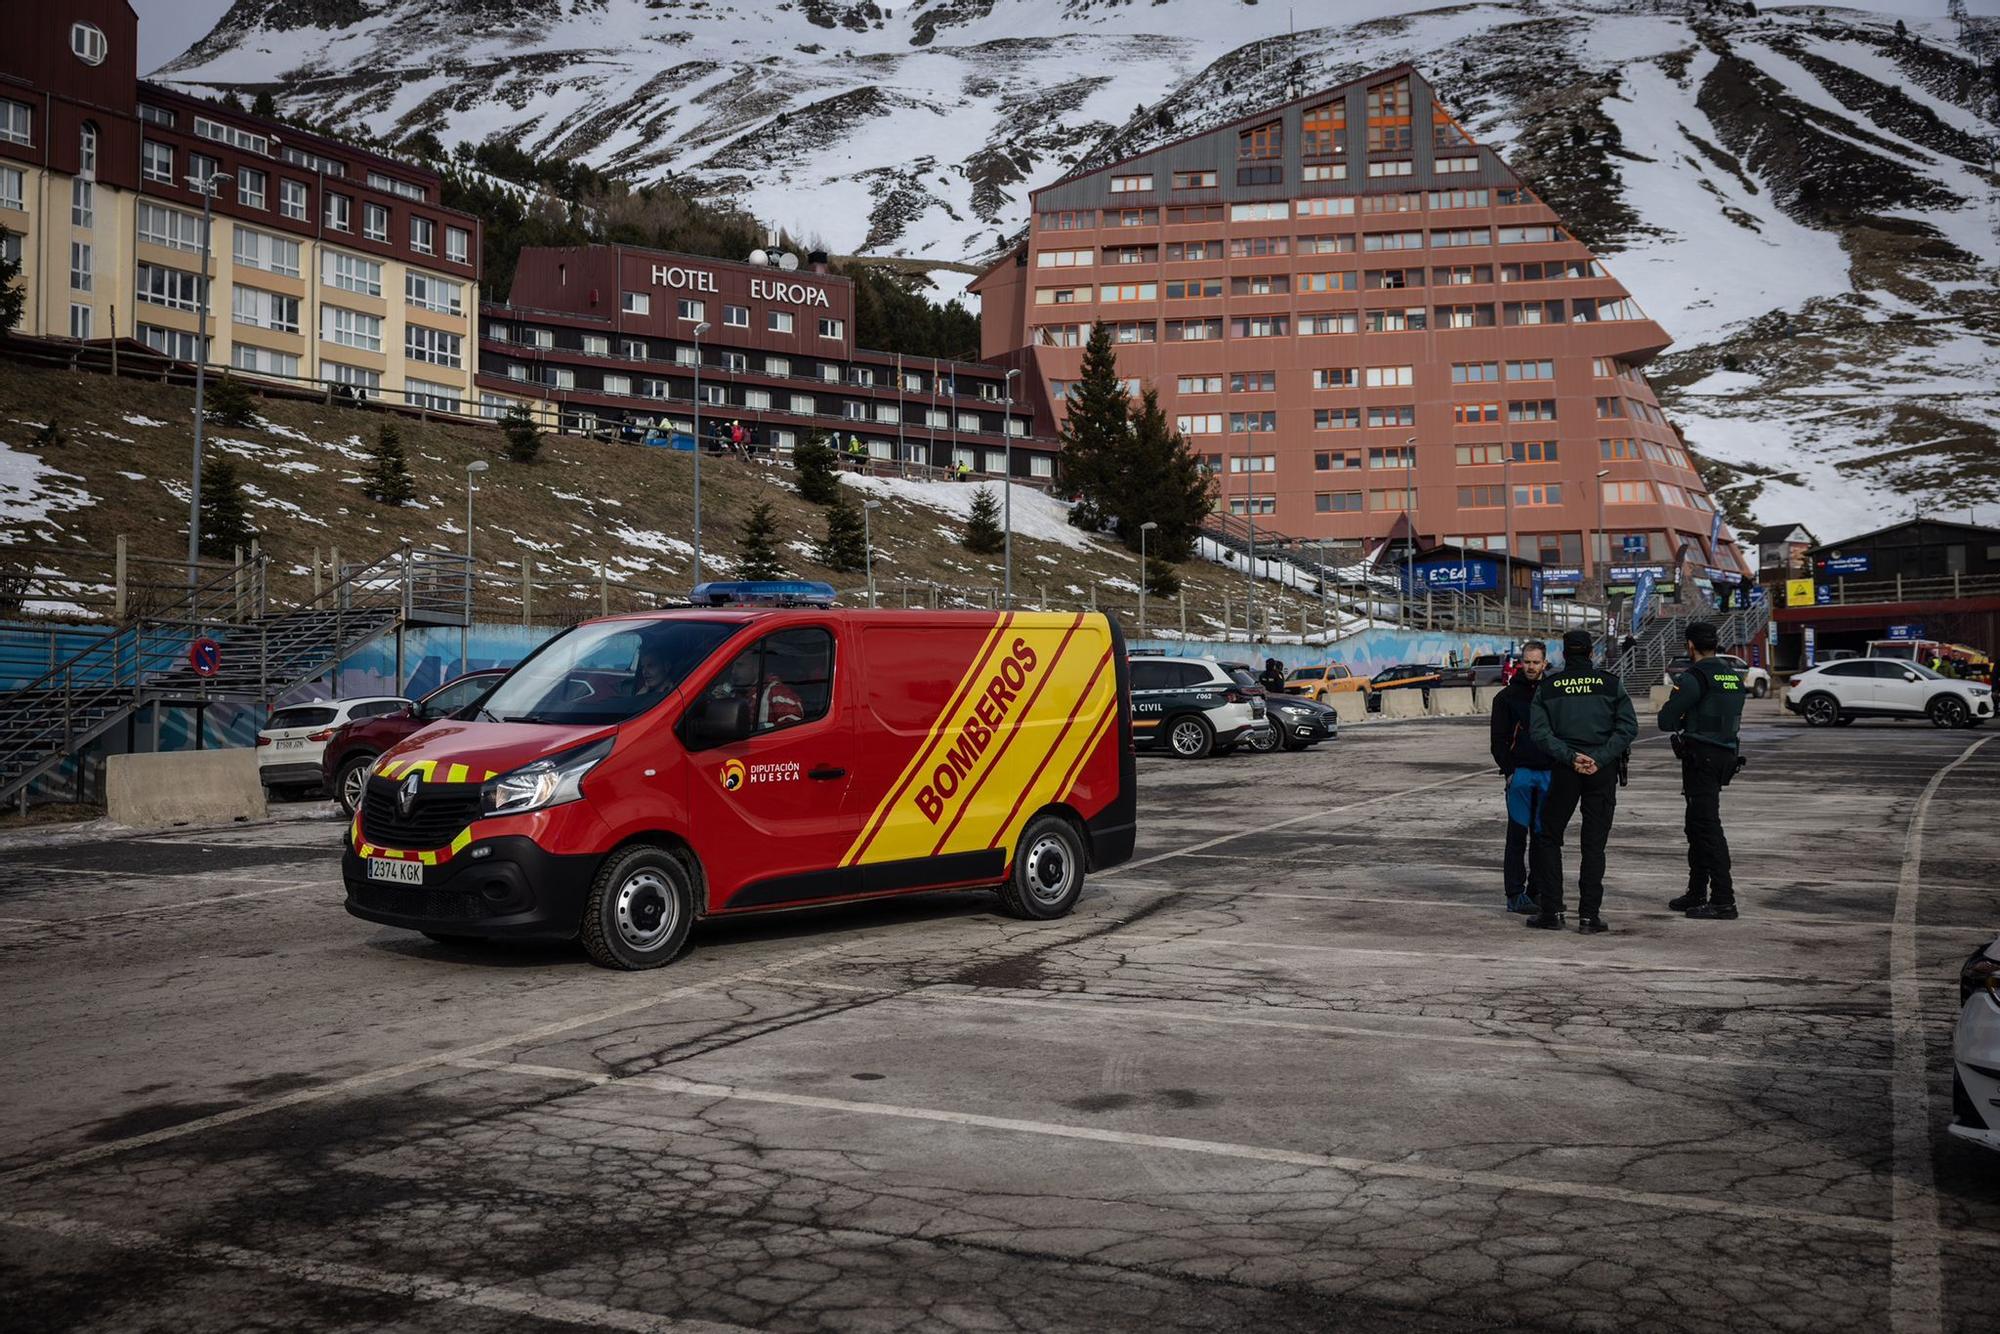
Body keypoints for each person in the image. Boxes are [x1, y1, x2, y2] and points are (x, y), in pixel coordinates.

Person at [1526, 627, 1638, 934]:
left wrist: (1570, 756)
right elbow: (1628, 728)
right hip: (1601, 772)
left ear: (1563, 654)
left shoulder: (1549, 687)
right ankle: (1589, 915)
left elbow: (1539, 732)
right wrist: (1600, 758)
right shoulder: (1611, 683)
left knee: (1549, 836)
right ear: (1591, 653)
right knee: (1594, 844)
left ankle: (1551, 910)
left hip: (1565, 770)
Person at [1658, 620, 1746, 920]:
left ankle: (1723, 899)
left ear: (1690, 645)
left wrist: (1684, 720)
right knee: (1696, 825)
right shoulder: (1732, 675)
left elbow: (1666, 719)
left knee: (1707, 828)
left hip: (1702, 758)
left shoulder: (1694, 677)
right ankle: (1697, 891)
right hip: (1725, 755)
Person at [1490, 640, 1555, 914]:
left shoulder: (1554, 694)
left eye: (1535, 662)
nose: (1530, 667)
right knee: (1517, 837)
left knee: (1543, 836)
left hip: (1550, 774)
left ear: (1544, 663)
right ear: (1521, 662)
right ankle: (1515, 894)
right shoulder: (1505, 698)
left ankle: (1536, 891)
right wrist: (1509, 771)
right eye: (1526, 662)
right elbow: (1498, 741)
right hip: (1521, 776)